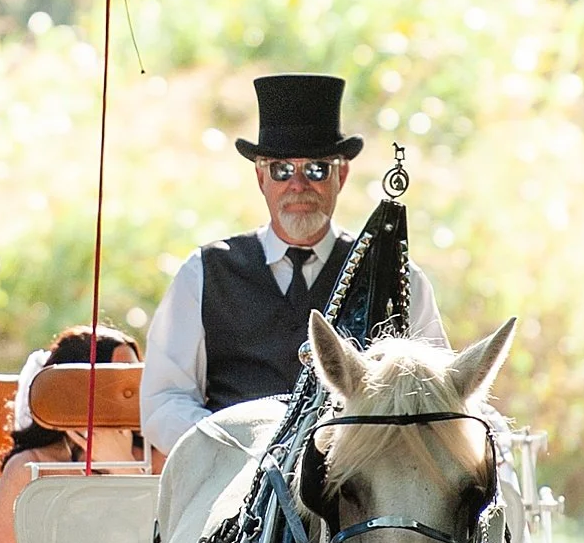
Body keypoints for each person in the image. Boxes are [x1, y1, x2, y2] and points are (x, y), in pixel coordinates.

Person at [140, 71, 447, 456]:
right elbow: (164, 401)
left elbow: (438, 396)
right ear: (260, 177)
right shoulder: (204, 273)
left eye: (316, 169)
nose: (298, 185)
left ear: (342, 174)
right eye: (281, 170)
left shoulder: (396, 280)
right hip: (234, 484)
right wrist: (233, 446)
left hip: (354, 491)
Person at [0, 324, 143, 543]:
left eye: (136, 378)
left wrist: (124, 468)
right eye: (117, 379)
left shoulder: (159, 459)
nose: (132, 392)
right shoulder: (30, 469)